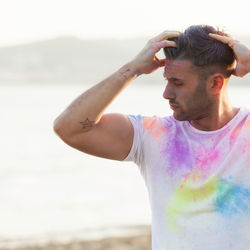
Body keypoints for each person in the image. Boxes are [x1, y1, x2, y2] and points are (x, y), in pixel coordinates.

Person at [53, 25, 250, 250]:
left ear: (215, 83)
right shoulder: (154, 135)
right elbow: (69, 128)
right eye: (167, 81)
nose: (166, 93)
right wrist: (132, 69)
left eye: (177, 82)